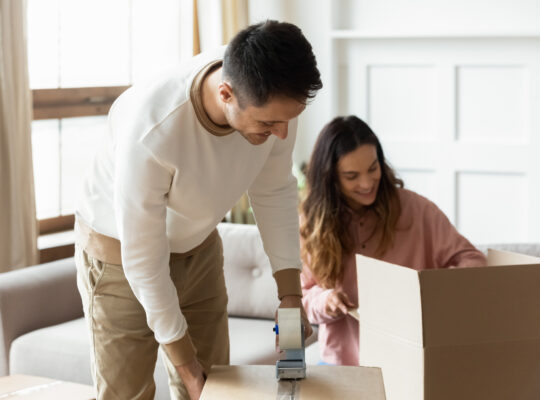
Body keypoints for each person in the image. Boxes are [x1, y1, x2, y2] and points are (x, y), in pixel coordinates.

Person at [74, 20, 322, 400]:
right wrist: (187, 368)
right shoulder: (153, 130)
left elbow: (274, 192)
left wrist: (290, 296)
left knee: (217, 391)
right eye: (270, 122)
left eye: (289, 119)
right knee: (129, 395)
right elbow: (143, 261)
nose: (282, 134)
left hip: (199, 246)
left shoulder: (269, 96)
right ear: (226, 93)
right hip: (120, 260)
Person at [299, 115, 486, 366]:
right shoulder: (312, 223)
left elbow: (473, 261)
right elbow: (302, 295)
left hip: (411, 359)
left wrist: (430, 292)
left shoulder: (415, 209)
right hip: (342, 363)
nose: (366, 183)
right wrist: (326, 300)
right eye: (352, 176)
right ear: (330, 177)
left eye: (373, 169)